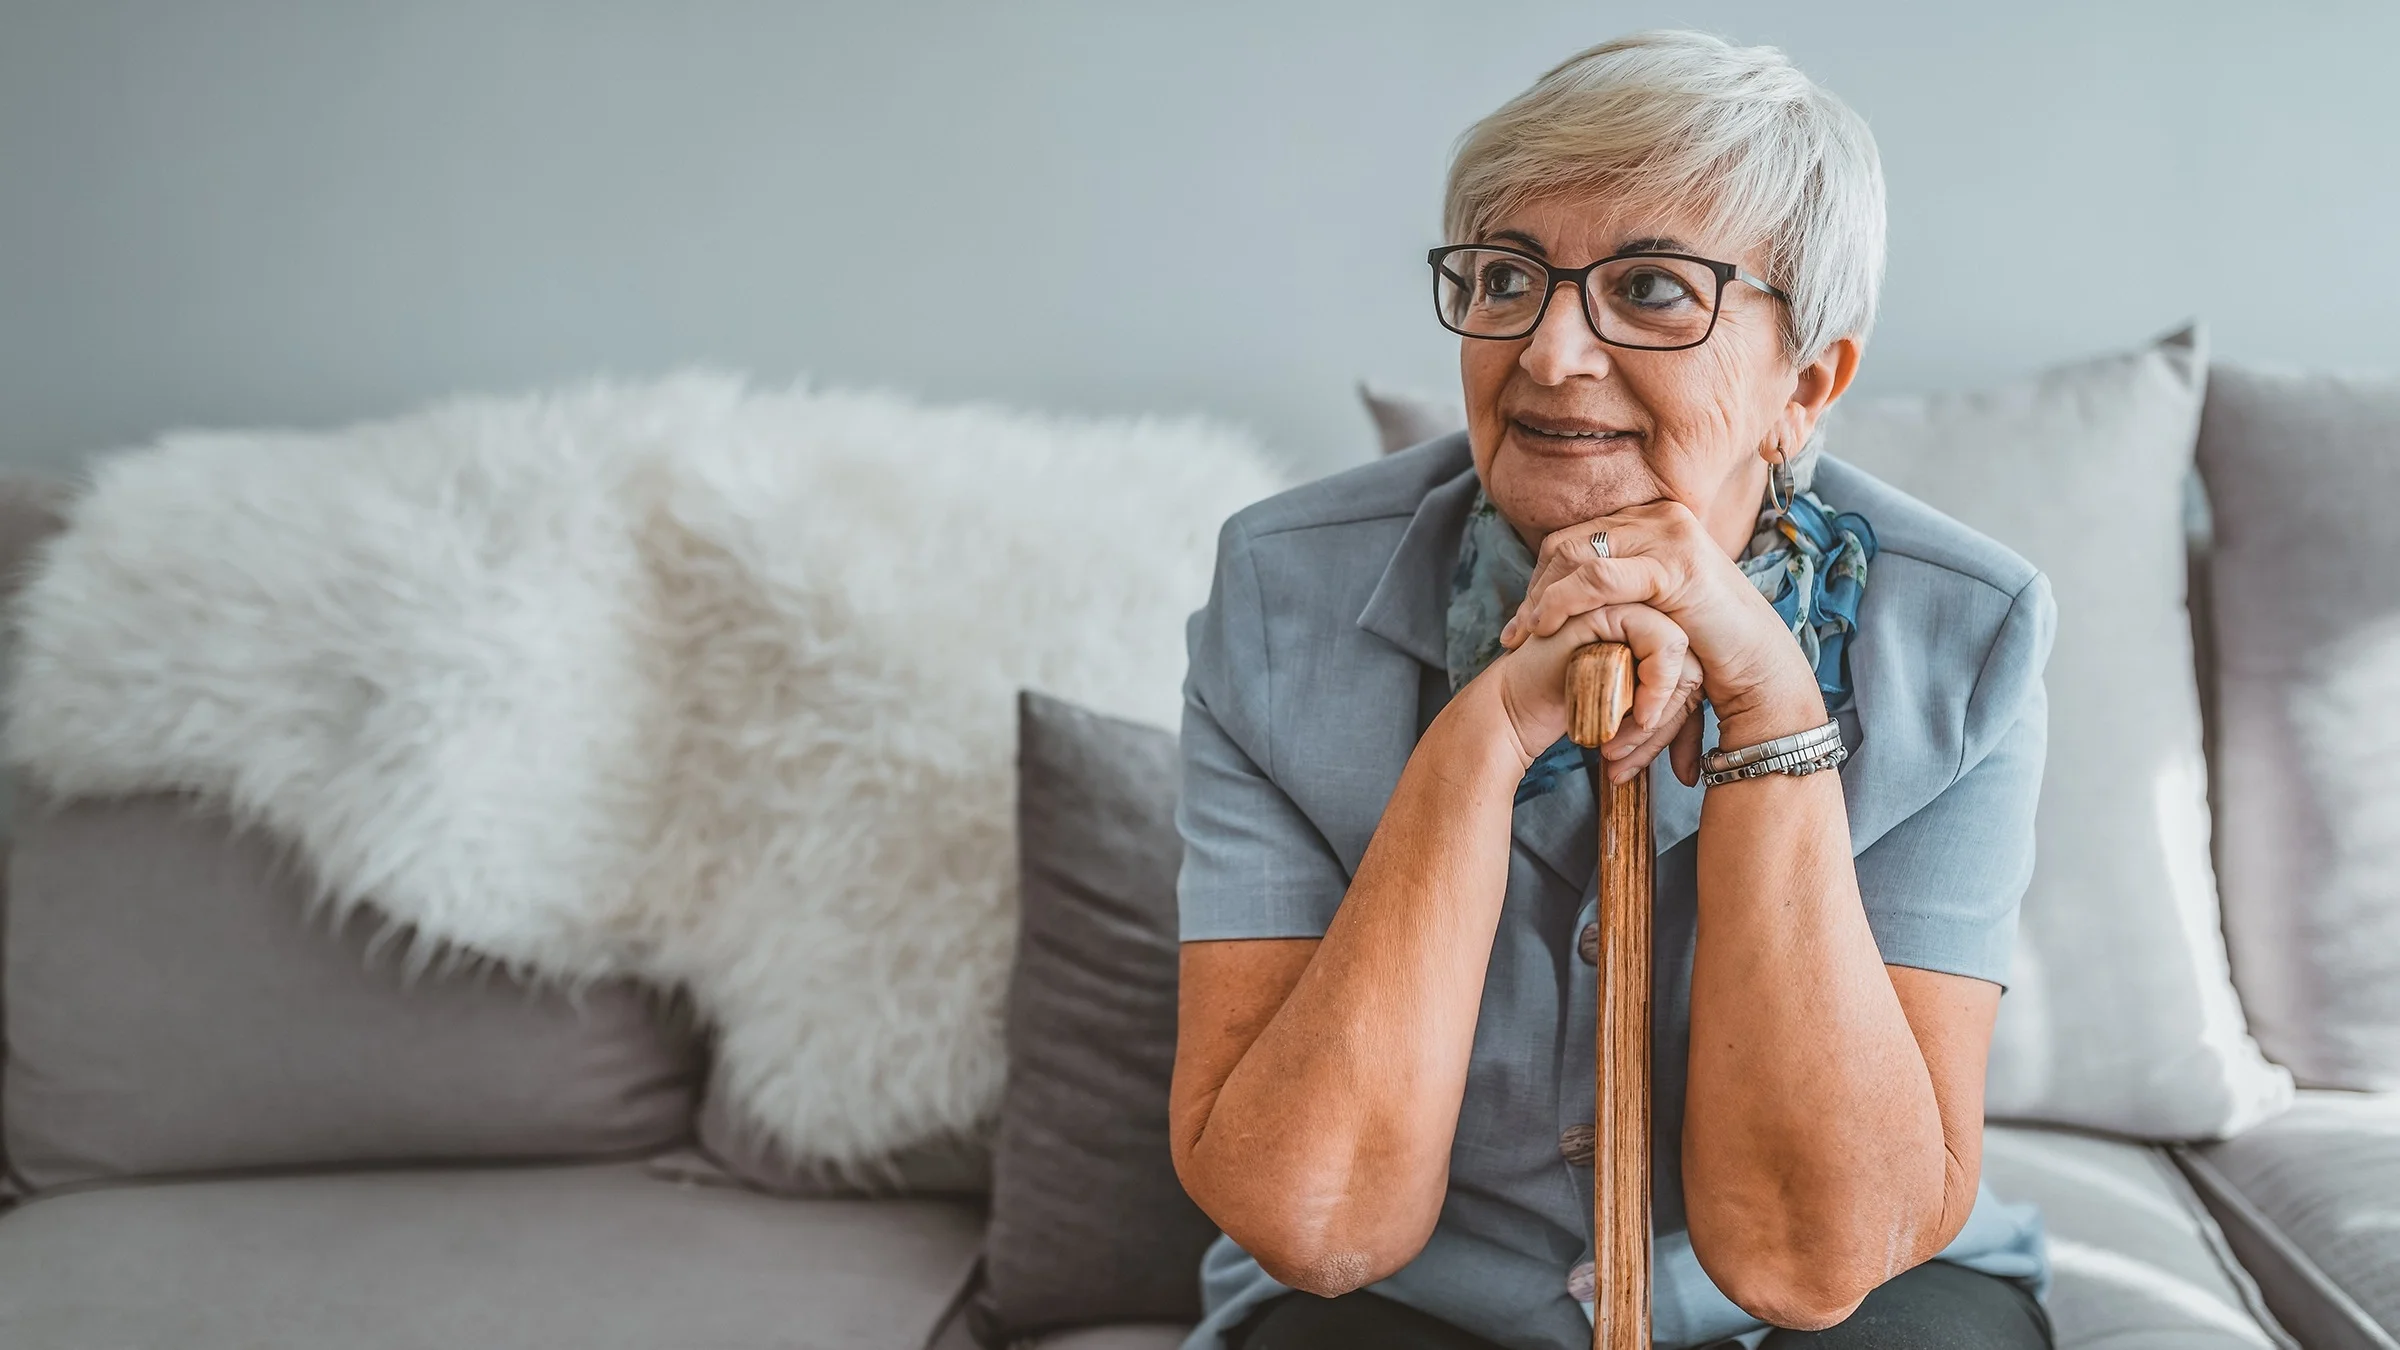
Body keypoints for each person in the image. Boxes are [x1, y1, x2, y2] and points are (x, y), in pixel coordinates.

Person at [1166, 30, 2058, 1350]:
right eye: (1507, 277)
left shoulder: (1966, 630)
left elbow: (1814, 1258)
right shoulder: (1277, 593)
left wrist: (1770, 708)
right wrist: (1494, 725)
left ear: (1804, 384)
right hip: (1413, 1298)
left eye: (1649, 287)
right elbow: (1317, 1217)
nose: (1549, 352)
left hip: (1858, 1302)